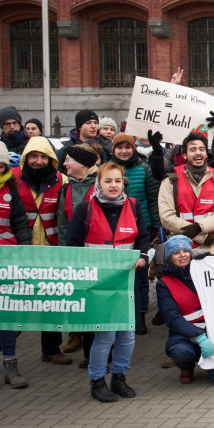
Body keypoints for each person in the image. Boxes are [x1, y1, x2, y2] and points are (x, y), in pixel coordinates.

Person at [64, 161, 149, 402]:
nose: (113, 186)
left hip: (126, 281)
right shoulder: (85, 210)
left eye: (118, 181)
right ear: (98, 183)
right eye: (108, 181)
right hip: (99, 284)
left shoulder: (133, 206)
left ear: (124, 182)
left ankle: (120, 378)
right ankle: (97, 381)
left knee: (128, 335)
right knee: (105, 336)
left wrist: (143, 256)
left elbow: (143, 238)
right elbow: (72, 246)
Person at [14, 136, 73, 364]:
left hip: (51, 249)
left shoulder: (62, 180)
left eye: (44, 157)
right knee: (17, 303)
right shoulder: (12, 179)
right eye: (34, 156)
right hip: (21, 250)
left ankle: (51, 349)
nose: (39, 161)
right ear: (26, 158)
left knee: (51, 302)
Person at [156, 234, 214, 385]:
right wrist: (199, 336)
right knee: (181, 352)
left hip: (213, 333)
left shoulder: (203, 273)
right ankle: (187, 367)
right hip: (185, 336)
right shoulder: (164, 284)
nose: (182, 255)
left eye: (185, 251)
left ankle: (212, 364)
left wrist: (210, 261)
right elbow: (172, 317)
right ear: (169, 257)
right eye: (176, 253)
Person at [110, 132, 160, 334]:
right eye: (119, 147)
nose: (124, 151)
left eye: (127, 147)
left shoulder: (144, 168)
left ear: (134, 148)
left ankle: (140, 315)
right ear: (113, 150)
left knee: (140, 273)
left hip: (142, 227)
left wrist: (156, 225)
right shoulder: (108, 170)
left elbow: (152, 198)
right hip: (115, 230)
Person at [159, 132, 214, 255]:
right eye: (193, 149)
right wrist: (202, 237)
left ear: (206, 153)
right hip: (184, 251)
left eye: (201, 149)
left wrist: (199, 226)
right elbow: (167, 218)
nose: (198, 152)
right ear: (184, 155)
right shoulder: (170, 181)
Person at [0, 141, 32, 388]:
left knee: (9, 314)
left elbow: (20, 222)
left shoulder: (11, 189)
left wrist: (25, 251)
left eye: (1, 166)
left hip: (9, 261)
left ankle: (10, 363)